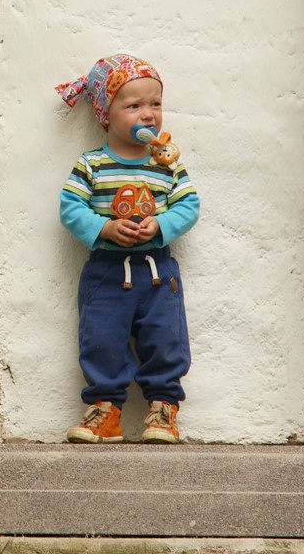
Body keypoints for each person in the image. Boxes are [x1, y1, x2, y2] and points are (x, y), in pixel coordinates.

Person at [55, 53, 200, 444]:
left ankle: (163, 409)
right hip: (106, 270)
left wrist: (162, 225)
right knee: (101, 340)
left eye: (155, 104)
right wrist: (104, 227)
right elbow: (71, 207)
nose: (148, 114)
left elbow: (188, 204)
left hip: (157, 272)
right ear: (106, 114)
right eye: (133, 106)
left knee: (165, 340)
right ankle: (106, 412)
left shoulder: (166, 164)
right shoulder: (92, 164)